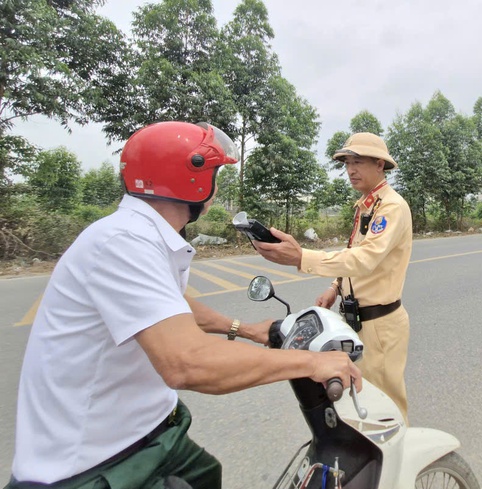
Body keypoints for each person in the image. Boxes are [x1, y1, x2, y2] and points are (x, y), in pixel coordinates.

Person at [6, 121, 361, 489]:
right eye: (215, 175)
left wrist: (243, 329)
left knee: (206, 472)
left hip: (147, 430)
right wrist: (310, 362)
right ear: (191, 180)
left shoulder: (143, 235)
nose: (216, 187)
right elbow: (187, 364)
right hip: (92, 464)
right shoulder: (123, 242)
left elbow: (167, 303)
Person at [253, 132, 413, 422]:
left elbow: (365, 259)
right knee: (362, 401)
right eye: (347, 163)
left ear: (380, 164)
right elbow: (354, 252)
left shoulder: (391, 207)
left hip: (380, 325)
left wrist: (302, 257)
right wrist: (335, 287)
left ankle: (399, 450)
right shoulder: (367, 204)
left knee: (385, 405)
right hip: (357, 321)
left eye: (358, 162)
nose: (350, 170)